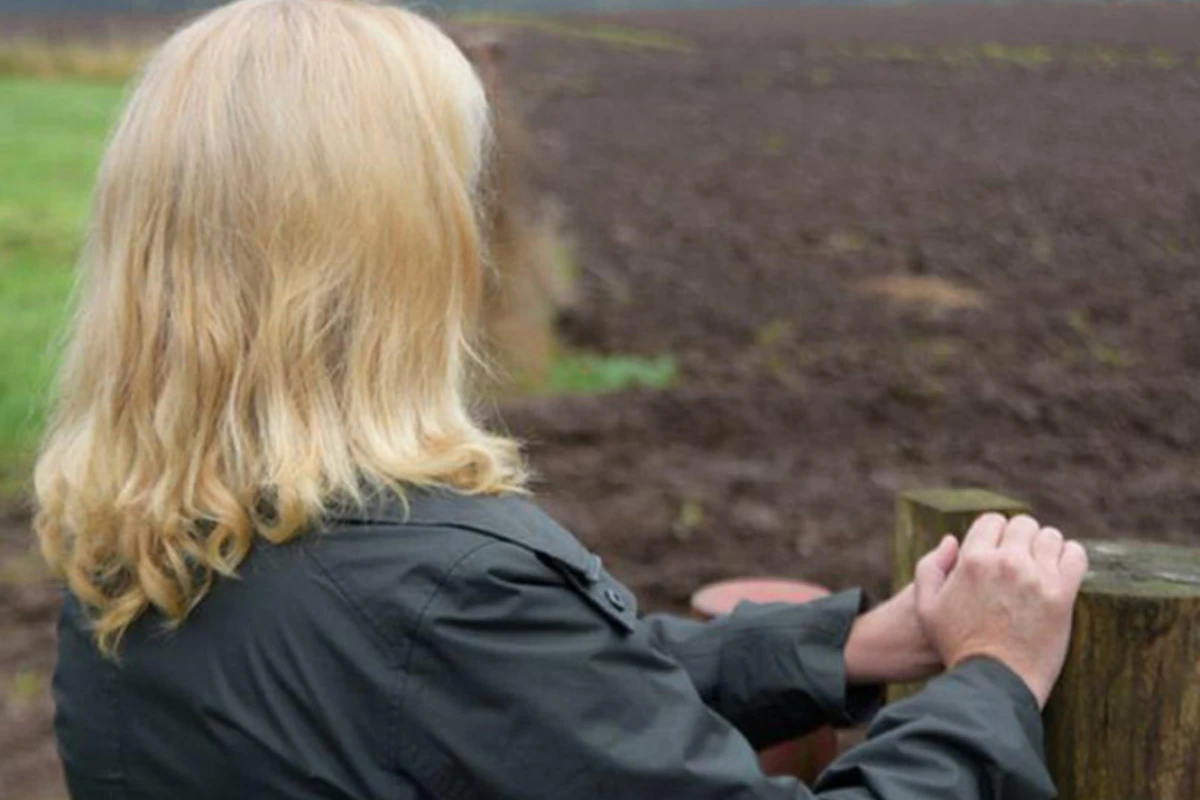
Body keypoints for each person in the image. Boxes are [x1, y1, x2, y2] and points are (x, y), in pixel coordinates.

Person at [34, 1, 1089, 798]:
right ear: (399, 245)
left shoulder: (143, 547)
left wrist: (845, 646)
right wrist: (991, 677)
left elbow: (519, 699)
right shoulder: (445, 590)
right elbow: (484, 673)